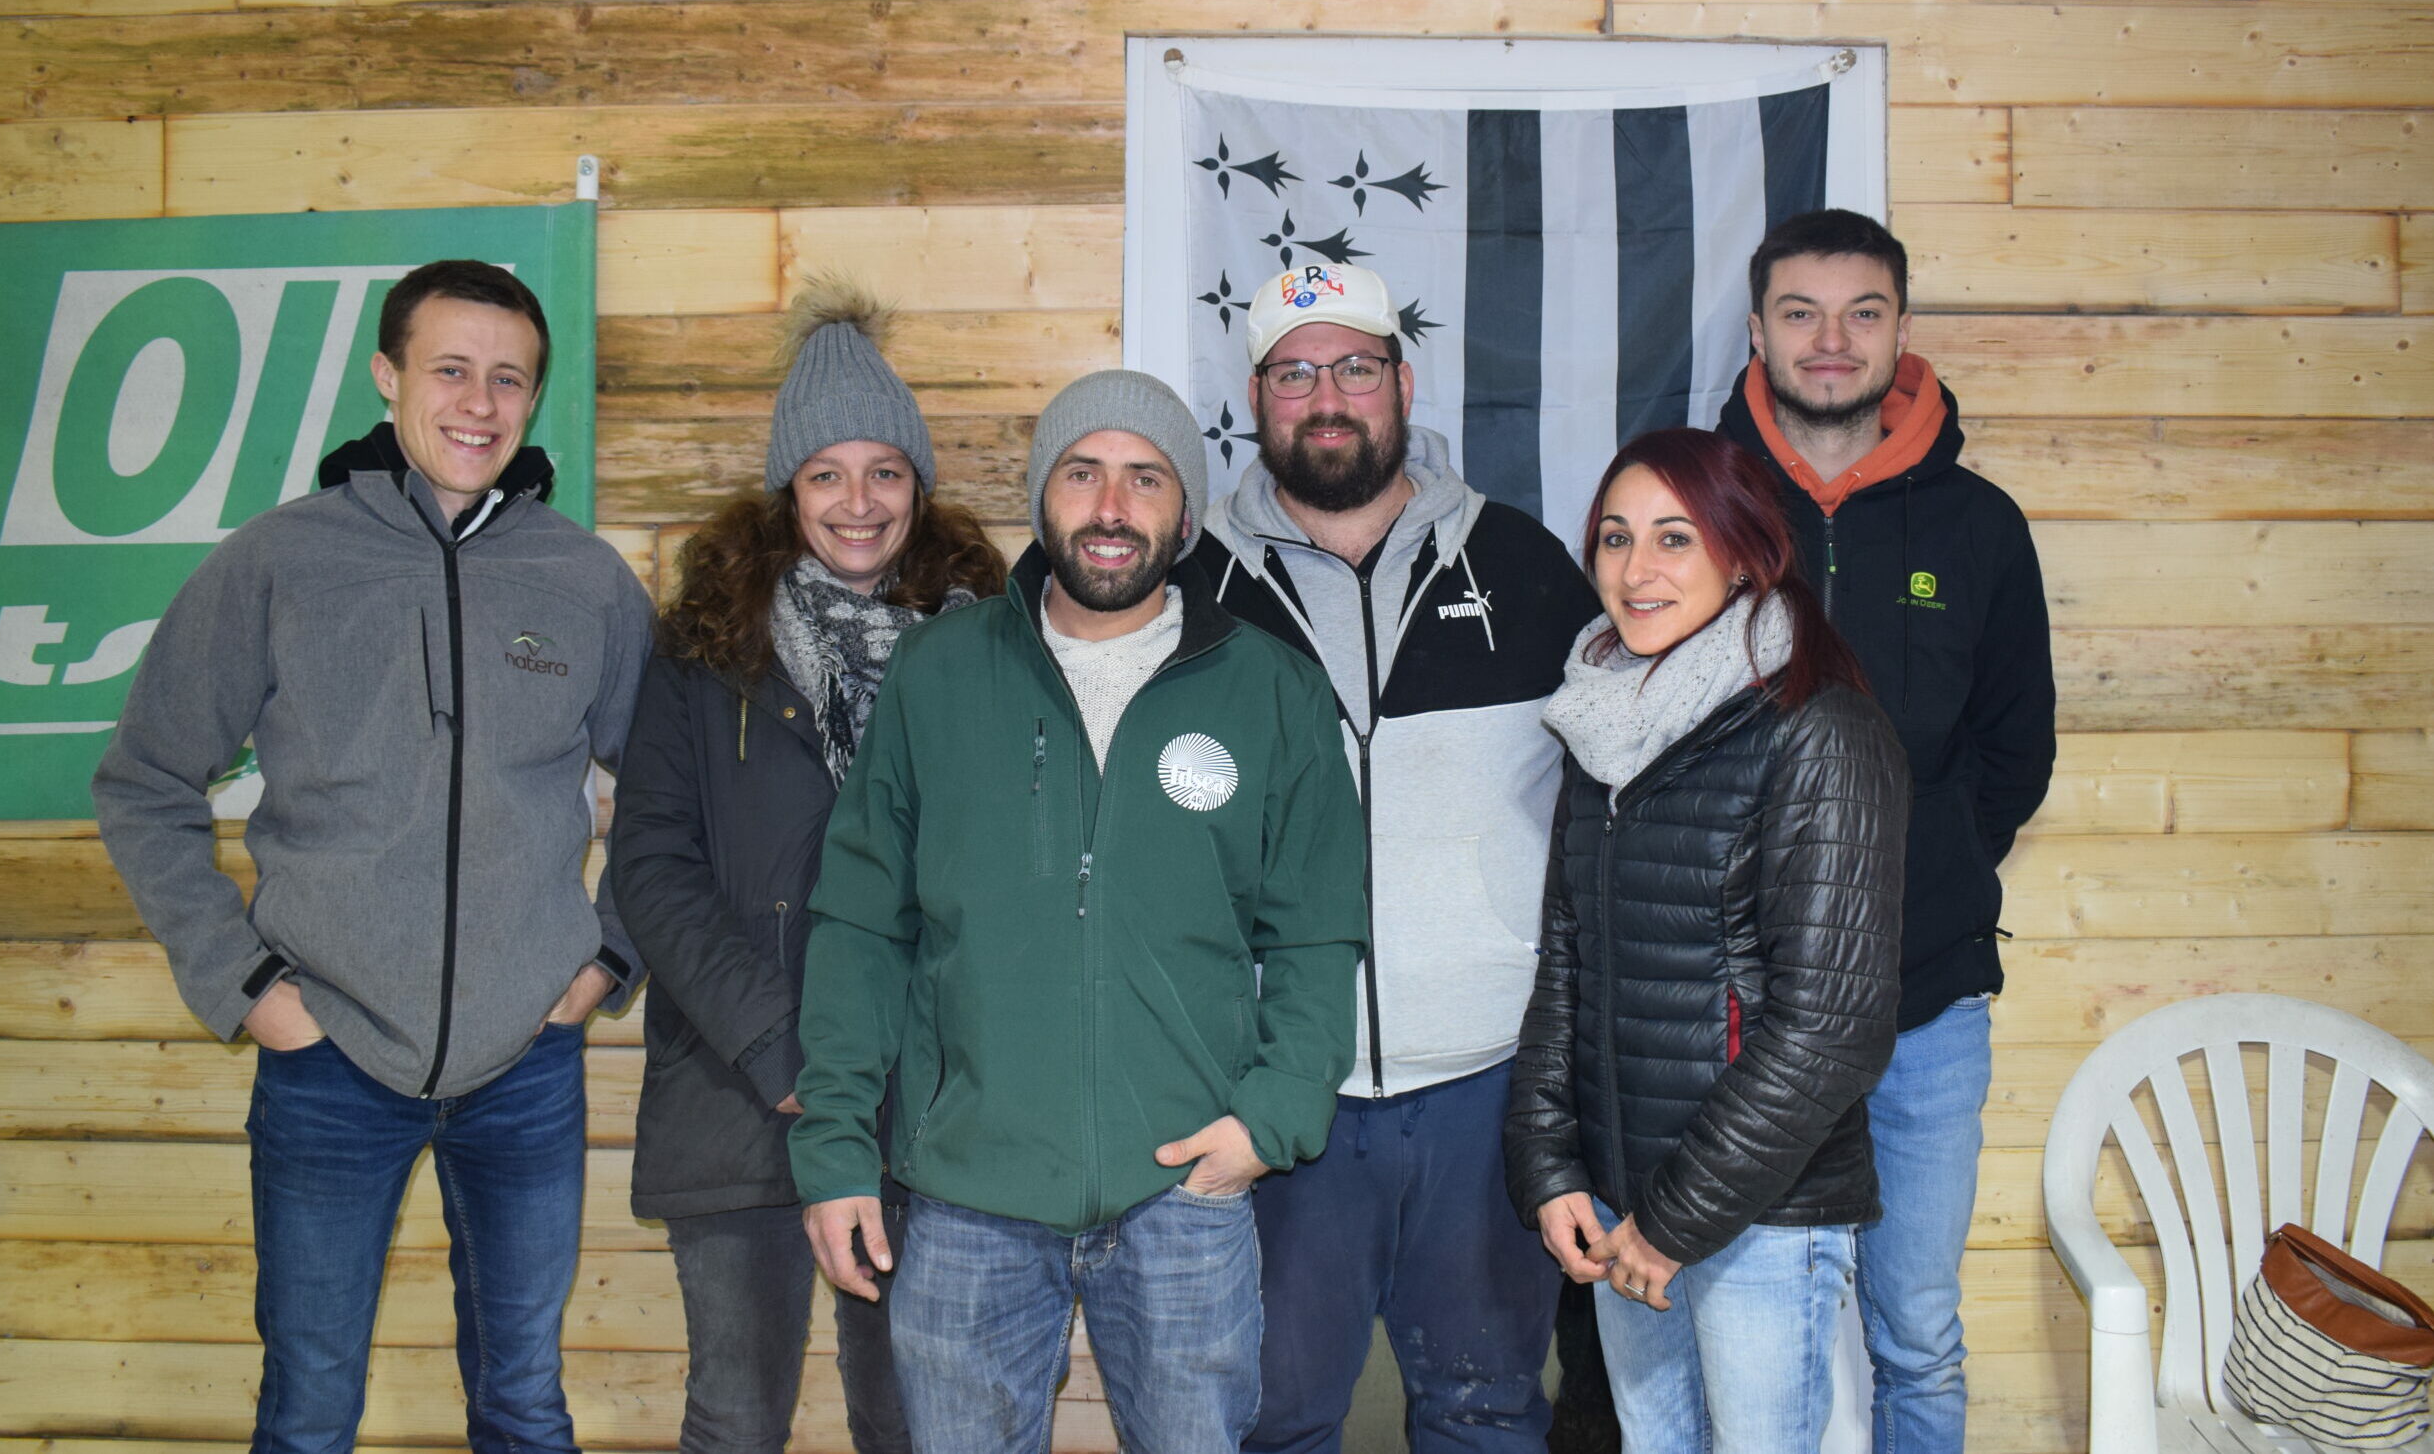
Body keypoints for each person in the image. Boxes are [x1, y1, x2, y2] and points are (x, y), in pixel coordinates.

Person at [92, 260, 652, 1453]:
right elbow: (143, 781)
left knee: (523, 1400)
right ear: (388, 376)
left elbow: (673, 799)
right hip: (326, 1058)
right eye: (451, 369)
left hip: (526, 1066)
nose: (479, 402)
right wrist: (248, 989)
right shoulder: (280, 562)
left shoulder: (585, 580)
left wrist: (604, 960)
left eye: (509, 379)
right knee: (308, 1407)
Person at [789, 369, 1369, 1454]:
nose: (1111, 507)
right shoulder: (937, 673)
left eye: (1144, 478)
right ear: (1040, 496)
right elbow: (862, 924)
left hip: (1185, 1190)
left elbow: (1316, 930)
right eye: (1082, 472)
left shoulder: (1272, 688)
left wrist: (1268, 1118)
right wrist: (832, 1149)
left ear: (1183, 512)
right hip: (966, 1192)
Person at [1193, 261, 1598, 1452]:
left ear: (1400, 382)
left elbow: (1615, 794)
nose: (1328, 395)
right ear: (1256, 397)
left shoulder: (1522, 566)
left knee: (1485, 1410)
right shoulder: (1191, 585)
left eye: (1355, 366)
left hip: (1485, 1082)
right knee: (1271, 1419)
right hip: (1275, 1086)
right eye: (1296, 371)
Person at [609, 280, 1003, 1454]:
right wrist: (785, 1050)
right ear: (788, 487)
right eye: (827, 472)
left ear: (917, 485)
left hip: (919, 1103)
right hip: (741, 1092)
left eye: (884, 469)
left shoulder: (986, 640)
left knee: (907, 1412)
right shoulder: (702, 648)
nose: (858, 501)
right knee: (736, 1412)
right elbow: (651, 865)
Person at [1718, 208, 2056, 1452]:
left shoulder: (1977, 526)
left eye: (1862, 312)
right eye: (1799, 312)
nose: (1829, 339)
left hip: (1926, 1006)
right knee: (1753, 1335)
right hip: (1740, 1012)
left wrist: (1928, 865)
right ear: (1755, 331)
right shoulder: (1702, 510)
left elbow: (2015, 748)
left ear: (1898, 331)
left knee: (1914, 1330)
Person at [1504, 426, 1909, 1454]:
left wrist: (1673, 1220)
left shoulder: (1819, 728)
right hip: (1621, 1206)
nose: (1635, 570)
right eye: (1613, 537)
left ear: (1742, 552)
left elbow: (1830, 1029)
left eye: (1673, 538)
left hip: (1756, 1216)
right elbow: (1567, 968)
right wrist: (1549, 1165)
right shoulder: (1602, 727)